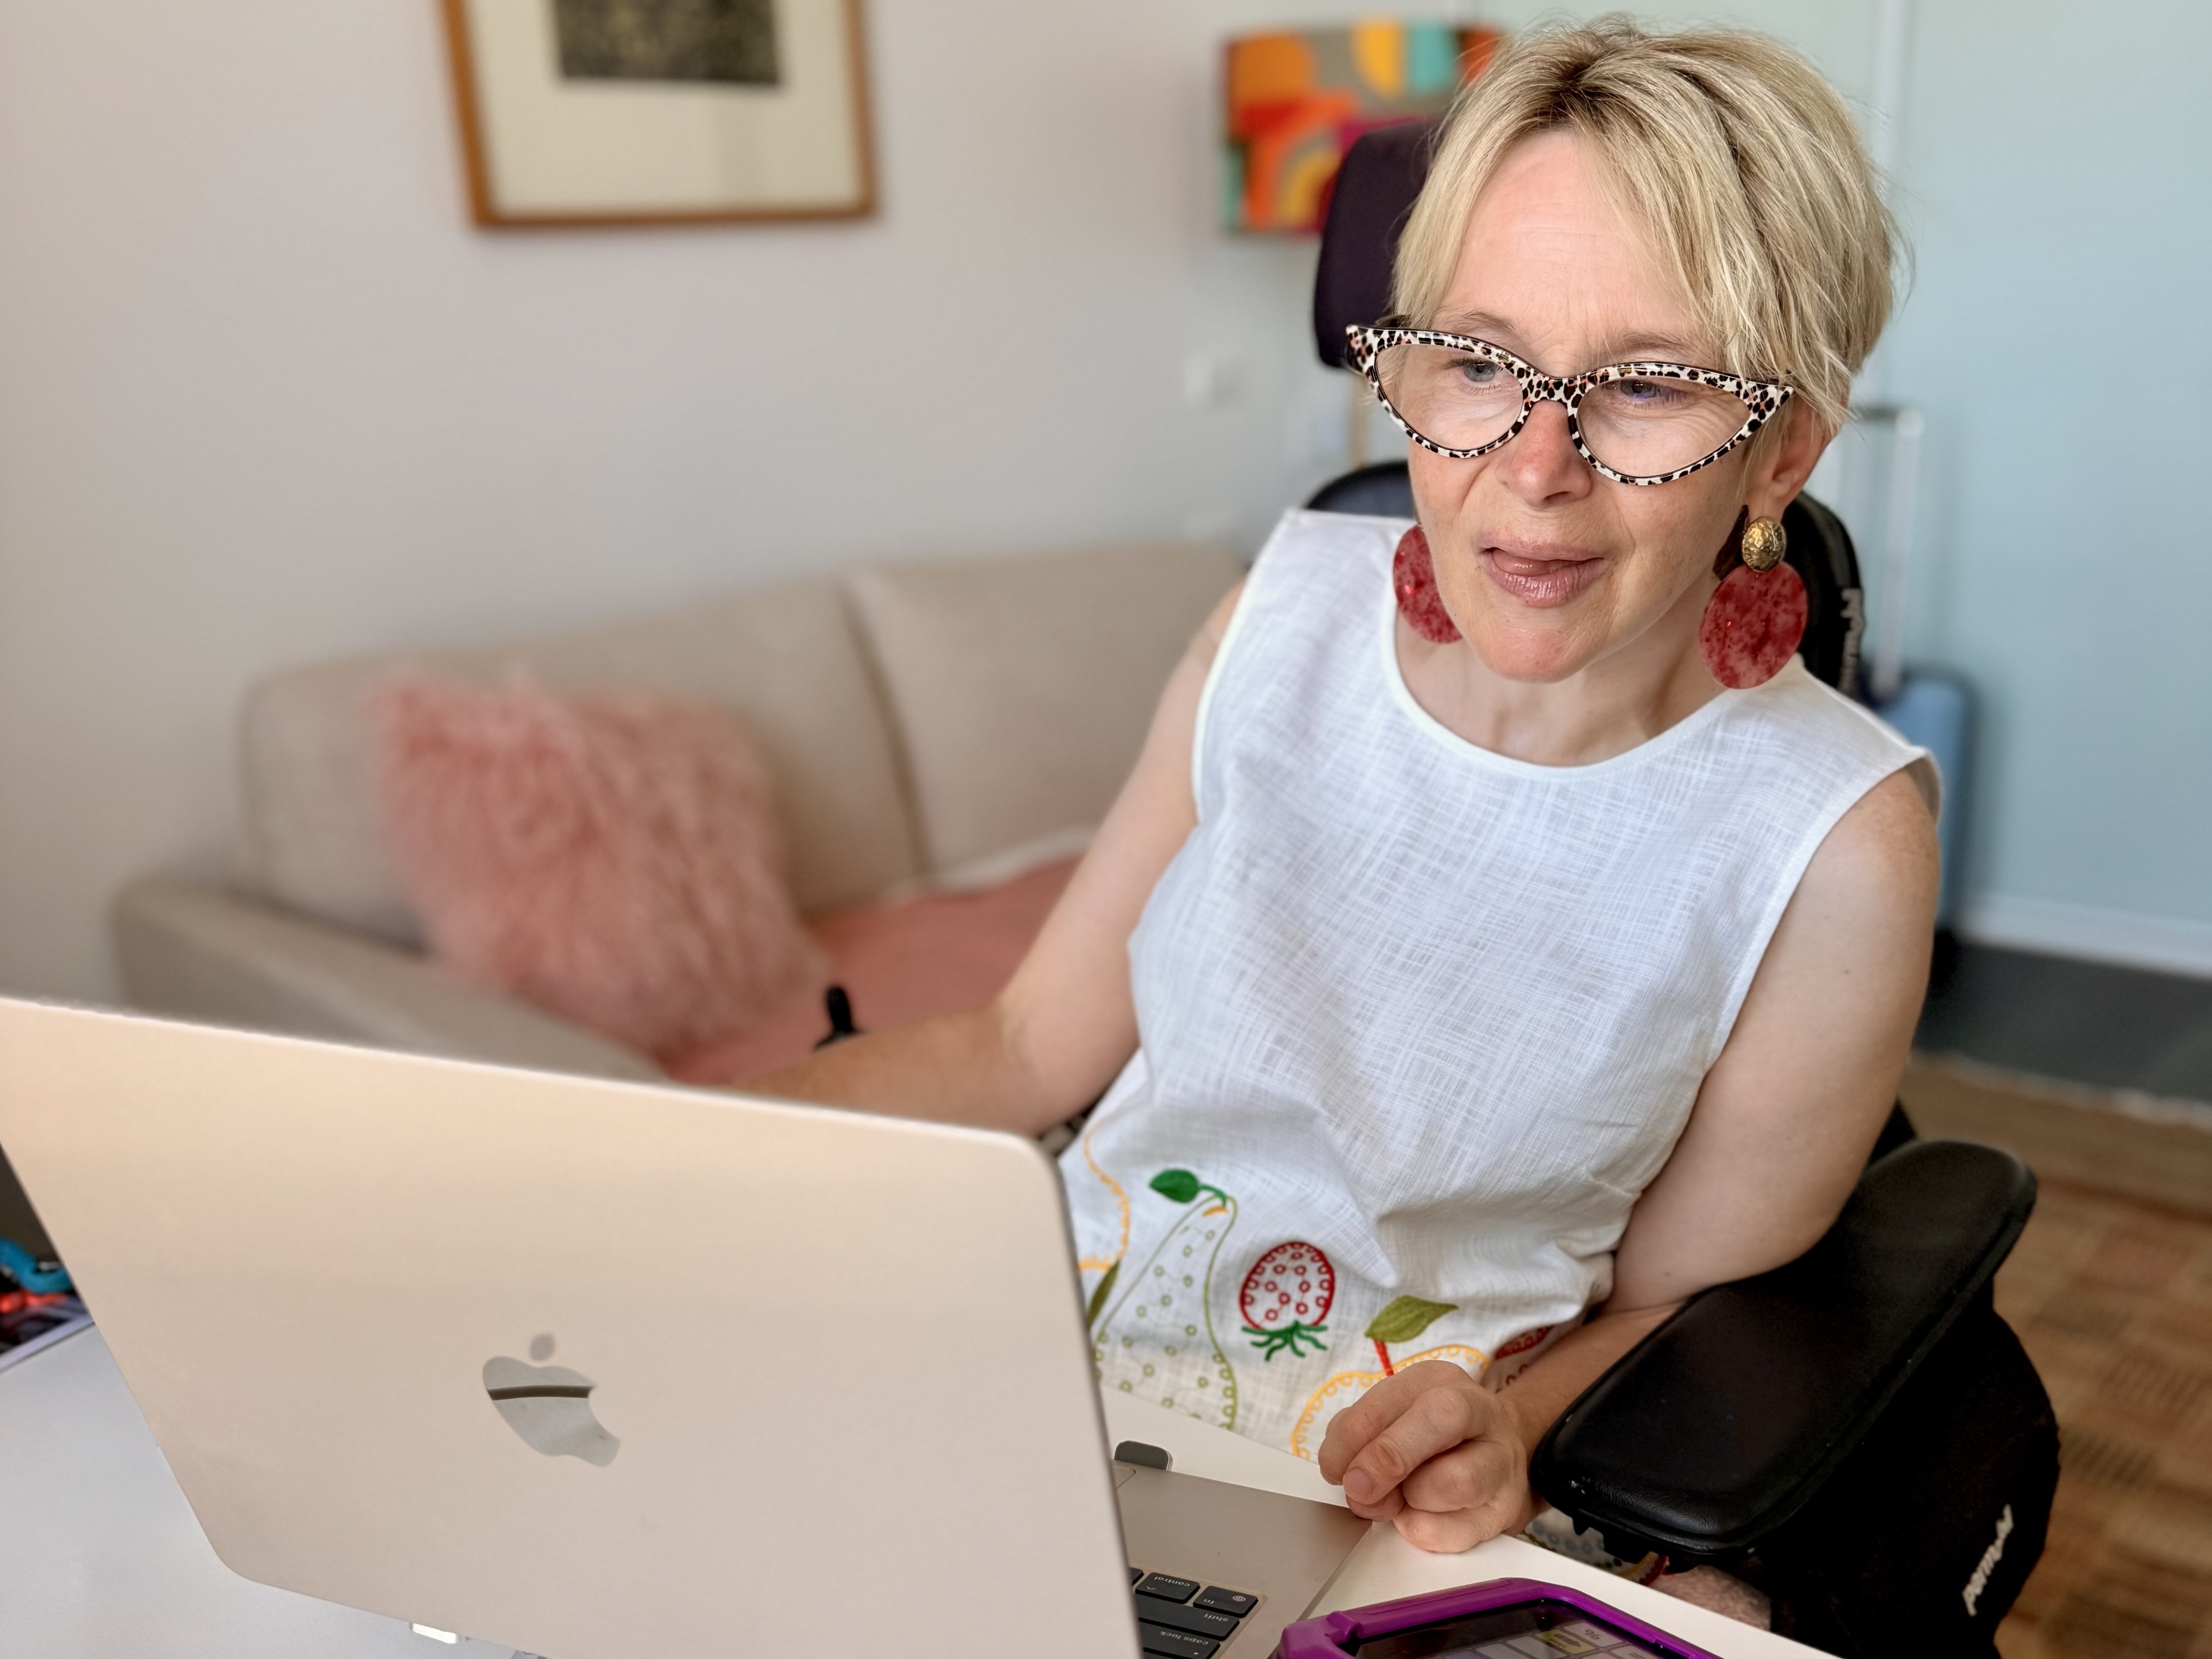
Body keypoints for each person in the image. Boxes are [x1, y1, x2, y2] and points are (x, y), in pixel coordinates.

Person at [753, 20, 1936, 1556]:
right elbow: (1027, 1045)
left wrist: (1512, 1430)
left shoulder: (1835, 843)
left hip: (1386, 1505)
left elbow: (1683, 1309)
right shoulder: (1276, 618)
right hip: (1021, 1382)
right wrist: (673, 1153)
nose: (1534, 465)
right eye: (1478, 364)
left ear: (1781, 454)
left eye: (1645, 385)